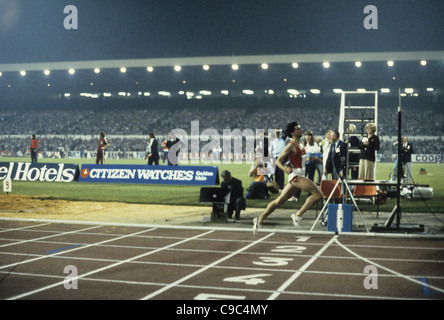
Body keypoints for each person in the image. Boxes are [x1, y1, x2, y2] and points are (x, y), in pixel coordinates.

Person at [252, 121, 323, 236]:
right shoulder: (291, 145)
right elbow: (278, 160)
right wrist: (285, 169)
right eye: (297, 129)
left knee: (279, 201)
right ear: (292, 133)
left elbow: (299, 160)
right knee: (318, 195)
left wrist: (309, 159)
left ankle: (259, 220)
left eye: (300, 128)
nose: (300, 130)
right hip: (296, 176)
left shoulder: (301, 144)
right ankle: (298, 215)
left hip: (299, 175)